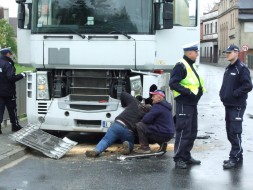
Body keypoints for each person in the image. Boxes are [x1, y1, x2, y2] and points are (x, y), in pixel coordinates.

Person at [169, 42, 205, 169]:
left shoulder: (190, 65)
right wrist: (189, 92)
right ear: (190, 53)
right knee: (183, 131)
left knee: (192, 131)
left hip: (191, 103)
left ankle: (186, 155)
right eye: (196, 52)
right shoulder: (181, 65)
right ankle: (179, 158)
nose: (197, 54)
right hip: (184, 103)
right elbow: (173, 83)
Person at [85, 92, 151, 157]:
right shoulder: (146, 115)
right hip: (129, 130)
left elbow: (123, 94)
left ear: (144, 104)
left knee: (106, 140)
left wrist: (124, 105)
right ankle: (128, 146)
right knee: (129, 142)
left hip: (117, 124)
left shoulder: (135, 102)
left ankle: (96, 150)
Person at [220, 45, 252, 169]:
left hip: (237, 106)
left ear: (236, 53)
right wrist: (222, 94)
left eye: (229, 52)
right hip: (228, 105)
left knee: (235, 131)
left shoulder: (241, 68)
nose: (227, 54)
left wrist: (235, 94)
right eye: (226, 52)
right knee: (230, 132)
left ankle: (234, 157)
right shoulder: (229, 68)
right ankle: (238, 155)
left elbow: (248, 86)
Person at [0, 47, 26, 134]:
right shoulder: (8, 64)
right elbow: (11, 77)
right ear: (7, 54)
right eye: (10, 53)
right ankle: (15, 126)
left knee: (0, 110)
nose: (11, 55)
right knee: (12, 109)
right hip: (8, 92)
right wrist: (22, 75)